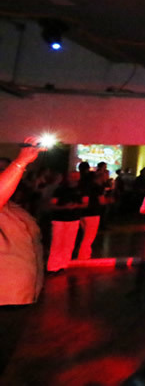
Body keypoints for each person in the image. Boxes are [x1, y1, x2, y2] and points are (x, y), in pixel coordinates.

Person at [1, 138, 45, 375]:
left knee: (5, 351)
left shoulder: (14, 208)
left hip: (20, 296)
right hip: (4, 297)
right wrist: (20, 162)